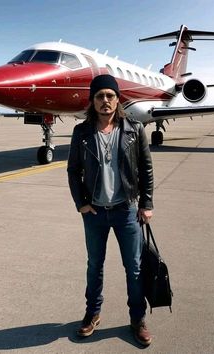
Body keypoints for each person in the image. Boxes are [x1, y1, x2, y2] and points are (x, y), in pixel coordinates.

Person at [67, 74, 154, 346]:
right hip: (94, 213)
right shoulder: (81, 132)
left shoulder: (134, 129)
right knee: (95, 266)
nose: (105, 101)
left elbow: (146, 169)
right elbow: (73, 170)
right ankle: (92, 313)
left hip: (126, 210)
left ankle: (137, 319)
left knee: (135, 268)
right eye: (99, 96)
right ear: (92, 101)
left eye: (110, 96)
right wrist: (81, 202)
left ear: (118, 100)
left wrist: (146, 204)